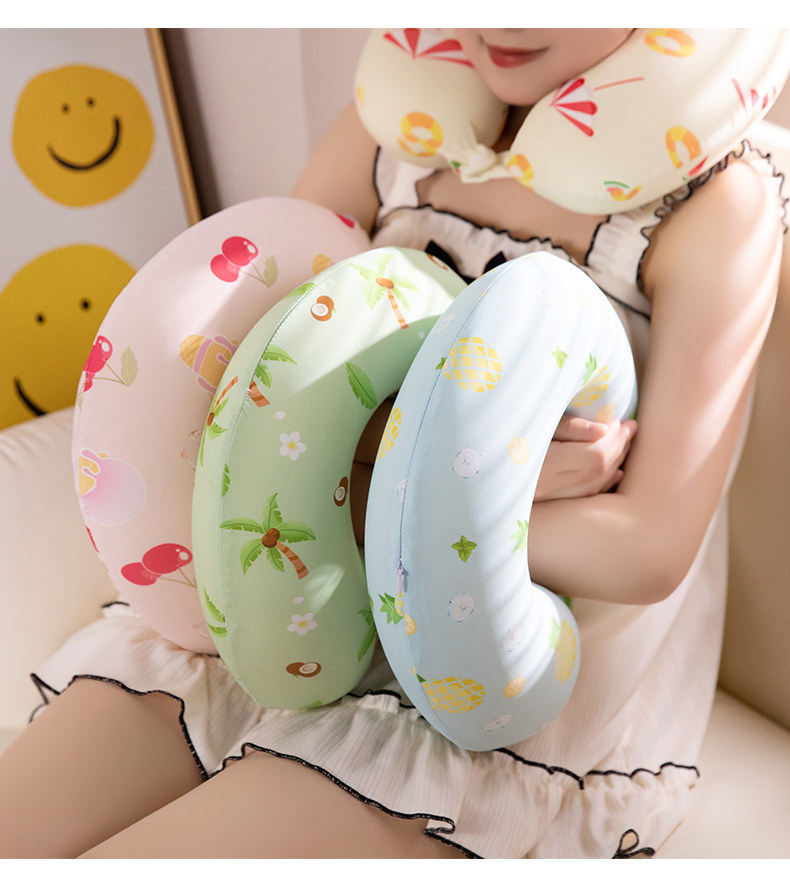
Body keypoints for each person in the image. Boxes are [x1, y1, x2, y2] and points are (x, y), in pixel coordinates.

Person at [0, 28, 784, 859]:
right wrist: (488, 482)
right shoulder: (396, 129)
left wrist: (346, 471)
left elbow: (647, 548)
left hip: (491, 699)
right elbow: (252, 380)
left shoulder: (712, 206)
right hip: (275, 593)